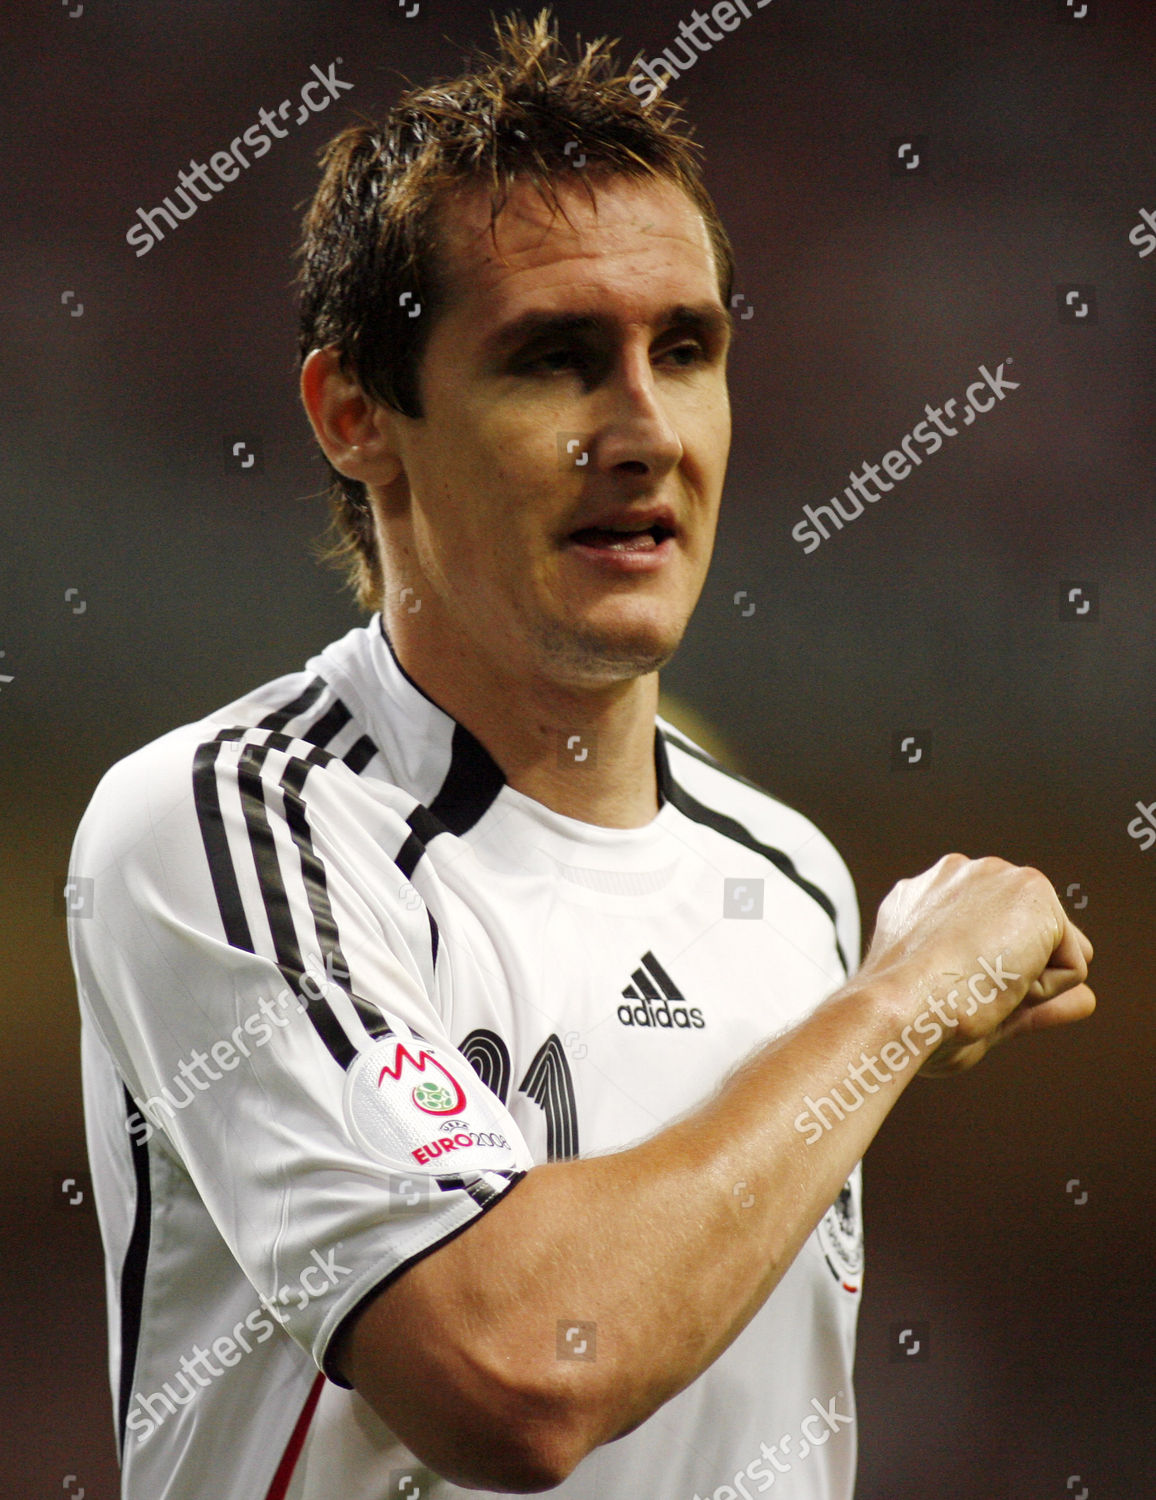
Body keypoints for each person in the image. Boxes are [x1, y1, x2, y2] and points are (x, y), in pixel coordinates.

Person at [68, 11, 1095, 1498]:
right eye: (553, 359)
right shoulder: (232, 822)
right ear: (356, 412)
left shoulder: (790, 880)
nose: (642, 429)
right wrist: (905, 998)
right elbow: (515, 1379)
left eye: (686, 349)